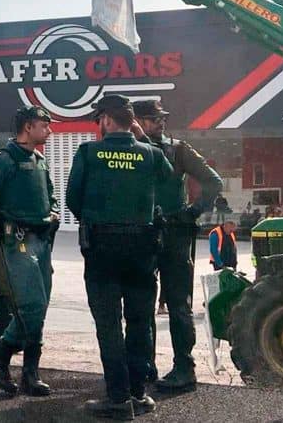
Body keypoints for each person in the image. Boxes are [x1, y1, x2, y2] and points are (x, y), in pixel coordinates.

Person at [67, 94, 174, 420]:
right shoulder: (152, 155)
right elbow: (170, 181)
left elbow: (73, 199)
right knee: (141, 323)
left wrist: (99, 219)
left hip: (102, 250)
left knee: (109, 324)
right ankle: (138, 393)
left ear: (108, 120)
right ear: (132, 122)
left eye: (100, 119)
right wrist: (141, 139)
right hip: (143, 250)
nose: (99, 125)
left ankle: (117, 398)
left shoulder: (88, 152)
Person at [132, 99, 223, 393]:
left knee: (177, 305)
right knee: (142, 304)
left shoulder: (178, 149)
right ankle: (146, 365)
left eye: (160, 118)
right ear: (138, 121)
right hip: (146, 233)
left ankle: (183, 367)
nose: (160, 123)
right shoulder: (131, 150)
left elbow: (214, 182)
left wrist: (193, 212)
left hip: (170, 233)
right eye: (153, 118)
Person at [0, 106, 58, 397]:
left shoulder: (39, 160)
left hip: (41, 240)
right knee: (32, 307)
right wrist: (7, 225)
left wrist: (54, 215)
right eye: (44, 125)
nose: (49, 131)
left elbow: (51, 197)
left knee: (40, 308)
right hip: (17, 241)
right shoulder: (2, 160)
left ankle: (29, 374)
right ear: (27, 127)